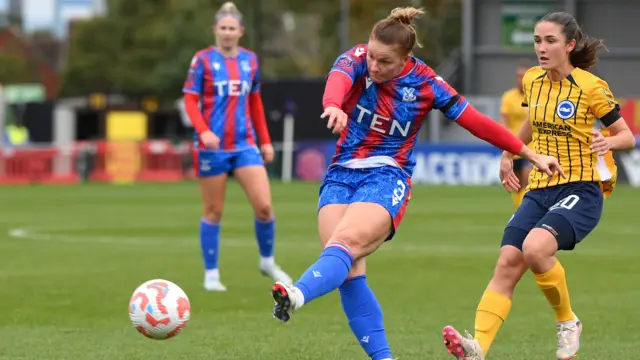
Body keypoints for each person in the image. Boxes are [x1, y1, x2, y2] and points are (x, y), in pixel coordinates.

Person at [268, 7, 563, 360]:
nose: (374, 66)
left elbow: (476, 122)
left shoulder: (426, 84)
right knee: (348, 271)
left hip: (387, 175)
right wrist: (333, 105)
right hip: (340, 173)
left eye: (384, 62)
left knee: (345, 243)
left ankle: (295, 295)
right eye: (372, 57)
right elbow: (338, 79)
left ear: (406, 58)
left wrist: (526, 153)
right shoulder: (360, 58)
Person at [442, 12, 636, 360]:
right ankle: (477, 349)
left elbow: (626, 135)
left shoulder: (591, 87)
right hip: (540, 189)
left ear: (570, 46)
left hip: (581, 188)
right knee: (507, 262)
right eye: (537, 41)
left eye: (550, 41)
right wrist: (508, 153)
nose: (541, 49)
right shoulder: (533, 80)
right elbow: (533, 120)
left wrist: (609, 142)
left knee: (534, 248)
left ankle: (567, 322)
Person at [182, 2, 291, 292]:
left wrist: (264, 140)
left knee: (265, 206)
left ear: (240, 32)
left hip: (244, 145)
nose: (228, 33)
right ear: (215, 30)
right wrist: (203, 131)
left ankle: (267, 261)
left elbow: (254, 102)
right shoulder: (202, 60)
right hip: (212, 148)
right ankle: (211, 274)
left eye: (232, 28)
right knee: (214, 210)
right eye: (223, 28)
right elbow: (190, 100)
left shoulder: (250, 61)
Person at [500, 60, 533, 210]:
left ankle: (525, 209)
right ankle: (519, 209)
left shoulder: (535, 96)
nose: (520, 80)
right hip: (514, 146)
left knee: (528, 179)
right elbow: (504, 122)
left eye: (523, 76)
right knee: (518, 185)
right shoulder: (509, 97)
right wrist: (504, 142)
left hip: (532, 147)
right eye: (518, 76)